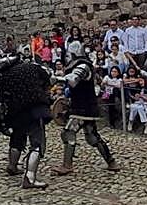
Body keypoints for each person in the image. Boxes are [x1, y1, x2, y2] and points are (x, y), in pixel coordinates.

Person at [51, 41, 118, 175]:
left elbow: (73, 80)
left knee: (69, 132)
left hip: (83, 107)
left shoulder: (83, 66)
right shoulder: (82, 64)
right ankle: (111, 162)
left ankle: (67, 165)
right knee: (92, 136)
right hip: (84, 105)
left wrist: (55, 78)